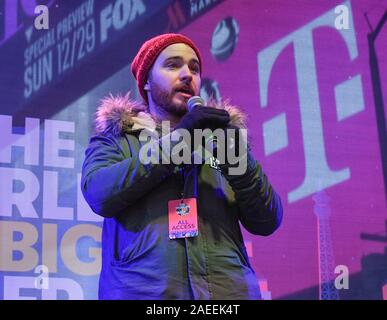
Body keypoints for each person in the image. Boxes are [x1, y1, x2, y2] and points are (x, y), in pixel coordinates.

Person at [81, 33, 283, 300]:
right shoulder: (117, 139)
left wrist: (239, 161)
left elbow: (267, 220)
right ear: (148, 83)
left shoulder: (220, 139)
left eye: (194, 68)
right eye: (173, 65)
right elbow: (99, 194)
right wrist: (180, 140)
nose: (188, 74)